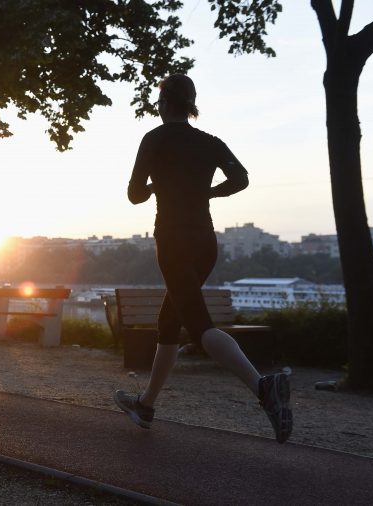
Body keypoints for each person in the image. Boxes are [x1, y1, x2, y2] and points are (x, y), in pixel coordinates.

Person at [113, 74, 292, 444]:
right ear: (191, 104)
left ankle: (263, 388)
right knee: (168, 324)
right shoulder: (210, 142)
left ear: (163, 103)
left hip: (173, 241)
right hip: (205, 243)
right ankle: (145, 405)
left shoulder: (154, 139)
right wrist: (207, 191)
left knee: (199, 326)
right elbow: (240, 179)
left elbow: (133, 195)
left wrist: (154, 186)